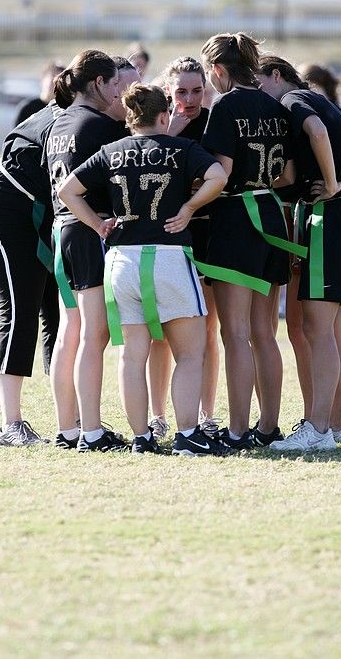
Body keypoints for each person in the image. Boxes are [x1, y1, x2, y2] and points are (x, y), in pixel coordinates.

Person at [57, 82, 232, 456]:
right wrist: (188, 209)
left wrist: (95, 224)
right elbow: (218, 175)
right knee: (189, 351)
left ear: (130, 118)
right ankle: (187, 435)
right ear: (164, 116)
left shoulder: (111, 151)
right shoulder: (182, 147)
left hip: (122, 260)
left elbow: (66, 191)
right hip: (168, 255)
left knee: (132, 355)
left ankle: (141, 437)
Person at [257, 55, 341, 452]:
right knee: (336, 330)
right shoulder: (319, 97)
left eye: (259, 83)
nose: (260, 94)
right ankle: (337, 425)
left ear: (276, 75)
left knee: (318, 330)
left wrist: (331, 184)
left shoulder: (293, 101)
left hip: (328, 219)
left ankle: (319, 429)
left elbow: (318, 134)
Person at [200, 32, 296, 451]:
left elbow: (220, 172)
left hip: (237, 220)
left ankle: (237, 431)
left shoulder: (225, 105)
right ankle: (268, 427)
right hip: (274, 218)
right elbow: (288, 176)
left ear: (218, 70)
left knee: (234, 334)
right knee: (264, 332)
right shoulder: (275, 105)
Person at [44, 49, 128, 453]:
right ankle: (91, 432)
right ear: (98, 82)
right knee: (94, 335)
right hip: (87, 228)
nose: (117, 94)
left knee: (70, 333)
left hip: (61, 232)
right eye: (114, 84)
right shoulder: (98, 126)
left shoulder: (58, 122)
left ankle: (68, 428)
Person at [0, 98, 64, 446]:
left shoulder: (99, 119)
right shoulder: (76, 116)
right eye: (121, 84)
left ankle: (69, 418)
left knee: (60, 312)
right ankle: (10, 425)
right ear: (98, 84)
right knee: (19, 307)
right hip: (5, 206)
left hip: (43, 214)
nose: (126, 93)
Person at [147, 56, 221, 438]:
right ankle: (157, 415)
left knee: (208, 328)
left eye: (197, 90)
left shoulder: (214, 121)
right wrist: (170, 134)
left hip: (208, 233)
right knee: (160, 331)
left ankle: (207, 415)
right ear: (167, 92)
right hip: (166, 237)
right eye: (181, 91)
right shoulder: (158, 124)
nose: (190, 99)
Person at [14, 61, 65, 125]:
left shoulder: (65, 109)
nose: (54, 82)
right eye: (52, 77)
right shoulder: (27, 108)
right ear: (42, 79)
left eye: (58, 79)